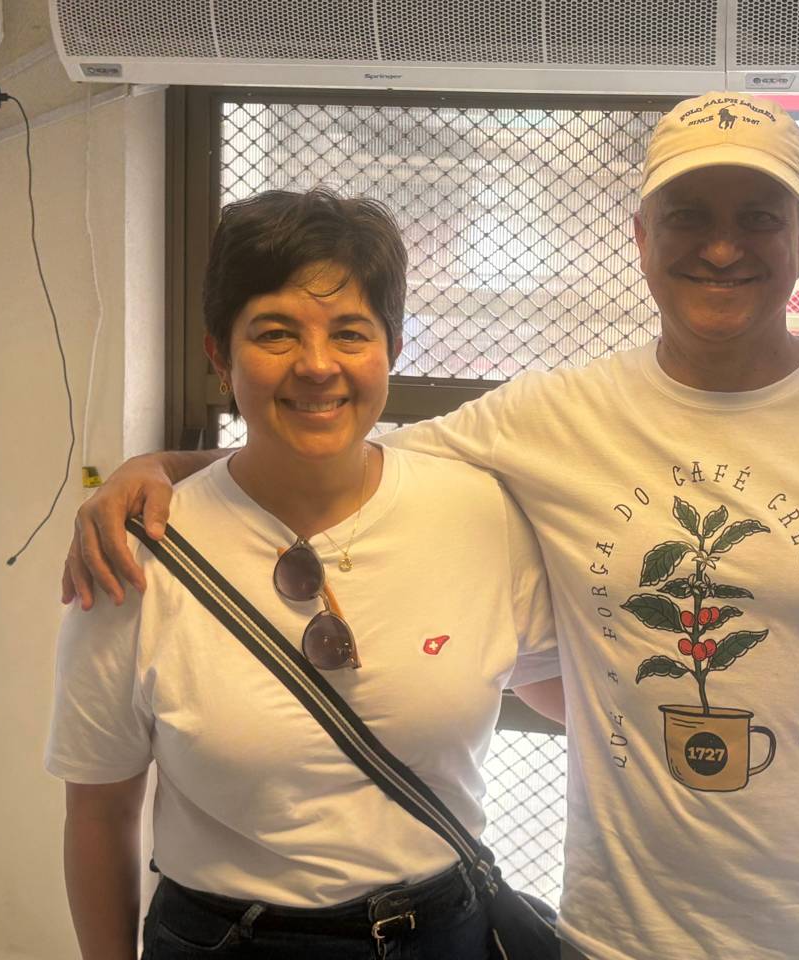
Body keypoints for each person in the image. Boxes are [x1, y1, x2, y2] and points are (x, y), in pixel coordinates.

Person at [63, 93, 799, 960]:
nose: (720, 246)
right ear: (640, 235)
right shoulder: (550, 417)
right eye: (687, 215)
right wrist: (157, 474)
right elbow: (333, 439)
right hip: (616, 936)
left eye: (758, 215)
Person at [45, 189, 562, 959]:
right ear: (219, 355)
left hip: (442, 933)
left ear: (391, 348)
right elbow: (99, 811)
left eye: (350, 332)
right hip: (228, 940)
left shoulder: (478, 514)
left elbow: (563, 691)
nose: (317, 366)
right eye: (275, 333)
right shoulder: (138, 552)